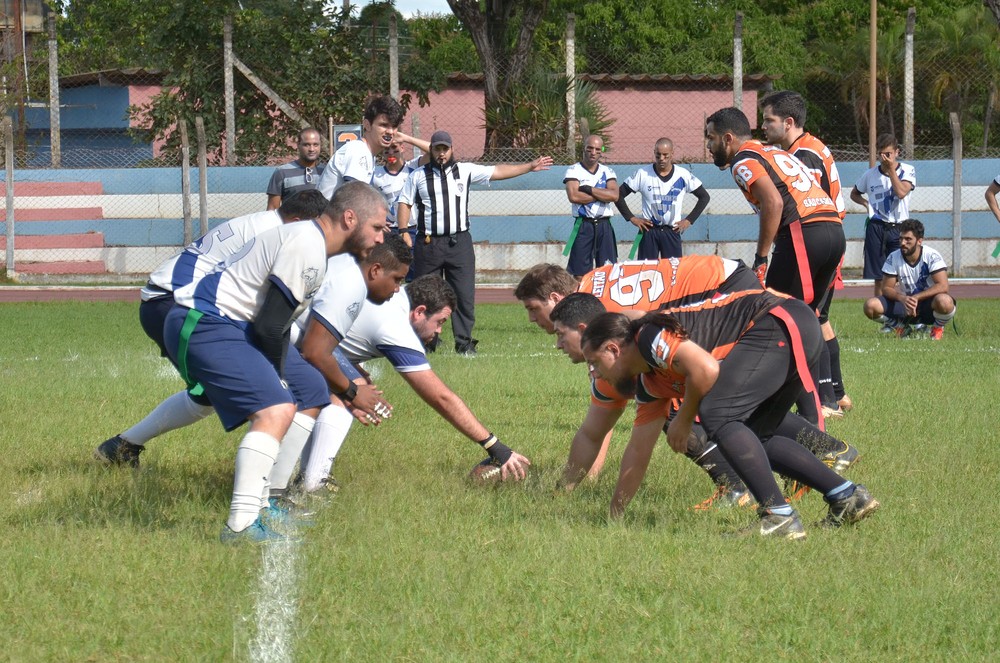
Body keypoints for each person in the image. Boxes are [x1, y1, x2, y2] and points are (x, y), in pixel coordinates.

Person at [514, 260, 858, 506]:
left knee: (714, 411)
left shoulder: (635, 334)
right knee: (739, 416)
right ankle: (837, 479)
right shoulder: (619, 346)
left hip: (738, 296)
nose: (549, 336)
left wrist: (684, 414)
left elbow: (700, 366)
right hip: (748, 299)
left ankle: (758, 498)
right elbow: (612, 433)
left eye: (533, 309)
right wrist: (604, 504)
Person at [162, 181, 389, 544]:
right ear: (350, 218)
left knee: (312, 390)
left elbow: (276, 322)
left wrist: (291, 377)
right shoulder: (308, 244)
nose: (380, 238)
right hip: (205, 320)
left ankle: (269, 499)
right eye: (378, 227)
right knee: (277, 408)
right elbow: (269, 326)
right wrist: (278, 381)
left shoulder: (314, 243)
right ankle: (240, 524)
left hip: (236, 324)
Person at [580, 291, 880, 539]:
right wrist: (614, 517)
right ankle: (847, 496)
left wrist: (684, 419)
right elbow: (637, 451)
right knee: (755, 434)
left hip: (780, 322)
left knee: (717, 415)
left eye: (593, 362)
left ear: (613, 349)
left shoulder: (648, 337)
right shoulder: (650, 383)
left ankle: (778, 516)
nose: (593, 372)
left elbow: (706, 370)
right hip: (794, 326)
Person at [95, 190, 330, 468]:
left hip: (175, 301)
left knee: (211, 395)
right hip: (178, 302)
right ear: (297, 219)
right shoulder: (282, 236)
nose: (319, 237)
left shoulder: (266, 223)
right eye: (315, 227)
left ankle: (121, 447)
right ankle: (271, 479)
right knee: (261, 393)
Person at [296, 274, 531, 492]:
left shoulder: (397, 295)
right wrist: (494, 445)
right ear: (419, 312)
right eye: (440, 322)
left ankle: (307, 480)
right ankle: (312, 484)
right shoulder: (396, 329)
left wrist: (354, 371)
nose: (439, 331)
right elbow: (440, 397)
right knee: (348, 394)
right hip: (292, 336)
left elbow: (344, 334)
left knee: (348, 388)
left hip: (298, 328)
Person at [396, 130, 553, 355]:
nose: (441, 154)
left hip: (459, 242)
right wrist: (403, 231)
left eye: (445, 149)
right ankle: (425, 341)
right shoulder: (418, 176)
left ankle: (464, 342)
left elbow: (497, 171)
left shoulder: (465, 171)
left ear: (452, 150)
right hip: (429, 243)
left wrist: (528, 166)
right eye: (437, 149)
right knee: (425, 294)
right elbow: (404, 203)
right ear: (431, 150)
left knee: (464, 294)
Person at [759, 90, 852, 417]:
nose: (763, 126)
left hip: (813, 241)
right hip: (826, 238)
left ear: (788, 122)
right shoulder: (807, 147)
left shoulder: (804, 155)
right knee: (819, 318)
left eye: (768, 120)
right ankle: (836, 394)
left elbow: (805, 205)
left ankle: (824, 400)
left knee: (805, 317)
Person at [705, 107, 845, 313]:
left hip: (803, 232)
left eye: (711, 138)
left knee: (774, 314)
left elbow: (773, 202)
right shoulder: (776, 151)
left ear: (727, 138)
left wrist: (761, 258)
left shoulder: (743, 160)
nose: (709, 145)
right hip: (834, 232)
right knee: (811, 319)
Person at [315, 95, 426, 200]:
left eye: (394, 126)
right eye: (384, 125)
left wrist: (406, 138)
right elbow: (354, 199)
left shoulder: (368, 154)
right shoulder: (358, 151)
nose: (390, 132)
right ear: (367, 125)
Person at [614, 137, 710, 260]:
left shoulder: (683, 175)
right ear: (654, 153)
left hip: (672, 231)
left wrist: (688, 220)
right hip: (649, 231)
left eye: (665, 155)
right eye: (658, 155)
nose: (661, 159)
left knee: (672, 274)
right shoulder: (642, 174)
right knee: (646, 272)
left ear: (672, 154)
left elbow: (704, 197)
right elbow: (618, 195)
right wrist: (632, 218)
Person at [863, 219, 956, 340]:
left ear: (919, 241)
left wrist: (916, 298)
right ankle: (900, 328)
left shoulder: (931, 255)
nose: (902, 243)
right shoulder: (893, 257)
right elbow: (886, 288)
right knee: (870, 306)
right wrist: (903, 299)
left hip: (928, 305)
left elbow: (943, 286)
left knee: (945, 302)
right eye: (901, 238)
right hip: (904, 305)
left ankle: (937, 328)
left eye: (908, 239)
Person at [850, 133, 917, 298]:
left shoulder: (907, 170)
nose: (884, 158)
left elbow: (901, 192)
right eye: (881, 154)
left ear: (896, 153)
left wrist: (891, 170)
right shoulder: (870, 174)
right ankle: (881, 314)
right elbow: (854, 193)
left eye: (888, 154)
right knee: (879, 277)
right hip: (877, 227)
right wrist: (866, 204)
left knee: (901, 274)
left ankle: (904, 312)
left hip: (900, 228)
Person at [564, 135, 620, 276]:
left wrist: (589, 189)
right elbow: (574, 196)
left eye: (597, 149)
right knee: (579, 274)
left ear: (601, 150)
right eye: (590, 148)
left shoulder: (608, 171)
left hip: (604, 225)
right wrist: (602, 195)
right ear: (584, 149)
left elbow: (614, 195)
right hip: (584, 225)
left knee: (608, 271)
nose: (593, 152)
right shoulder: (573, 170)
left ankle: (604, 299)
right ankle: (581, 298)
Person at [266, 127, 326, 210]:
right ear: (298, 145)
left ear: (320, 146)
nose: (311, 149)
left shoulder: (327, 172)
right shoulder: (282, 172)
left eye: (315, 145)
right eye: (306, 145)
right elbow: (272, 208)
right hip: (292, 223)